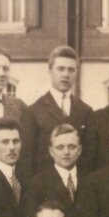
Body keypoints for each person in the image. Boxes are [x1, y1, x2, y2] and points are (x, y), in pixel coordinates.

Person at [20, 46, 94, 180]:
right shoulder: (33, 112)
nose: (66, 74)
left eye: (71, 69)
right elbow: (26, 160)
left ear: (77, 72)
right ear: (50, 71)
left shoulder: (86, 111)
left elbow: (90, 157)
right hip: (45, 189)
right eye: (61, 69)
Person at [24, 123, 88, 217]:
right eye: (60, 147)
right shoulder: (37, 184)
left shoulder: (91, 180)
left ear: (79, 150)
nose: (66, 152)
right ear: (51, 151)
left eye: (72, 147)